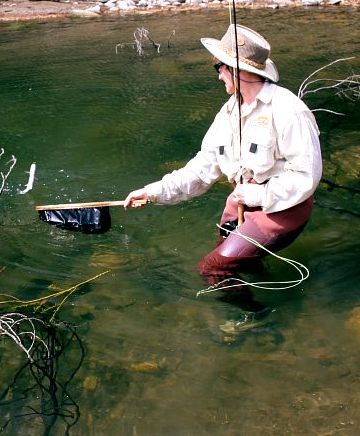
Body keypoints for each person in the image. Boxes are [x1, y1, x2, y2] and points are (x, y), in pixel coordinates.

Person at [123, 24, 322, 332]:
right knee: (234, 255)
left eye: (219, 67)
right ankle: (264, 283)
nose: (217, 75)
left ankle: (258, 315)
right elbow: (202, 169)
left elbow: (306, 177)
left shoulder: (289, 111)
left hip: (283, 208)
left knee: (213, 268)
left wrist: (256, 196)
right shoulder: (228, 112)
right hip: (241, 201)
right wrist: (152, 192)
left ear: (236, 70)